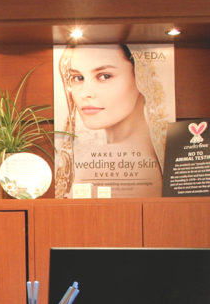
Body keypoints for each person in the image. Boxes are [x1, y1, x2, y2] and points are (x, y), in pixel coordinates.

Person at [56, 43, 170, 197]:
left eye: (104, 76)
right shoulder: (161, 158)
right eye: (78, 78)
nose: (85, 93)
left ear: (140, 76)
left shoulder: (97, 164)